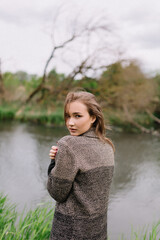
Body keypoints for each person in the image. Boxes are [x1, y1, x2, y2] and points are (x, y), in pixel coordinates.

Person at [47, 91, 115, 240]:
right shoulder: (107, 146)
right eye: (68, 116)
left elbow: (57, 192)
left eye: (77, 116)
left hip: (70, 232)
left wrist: (53, 163)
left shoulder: (69, 145)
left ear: (93, 118)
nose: (70, 122)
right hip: (98, 231)